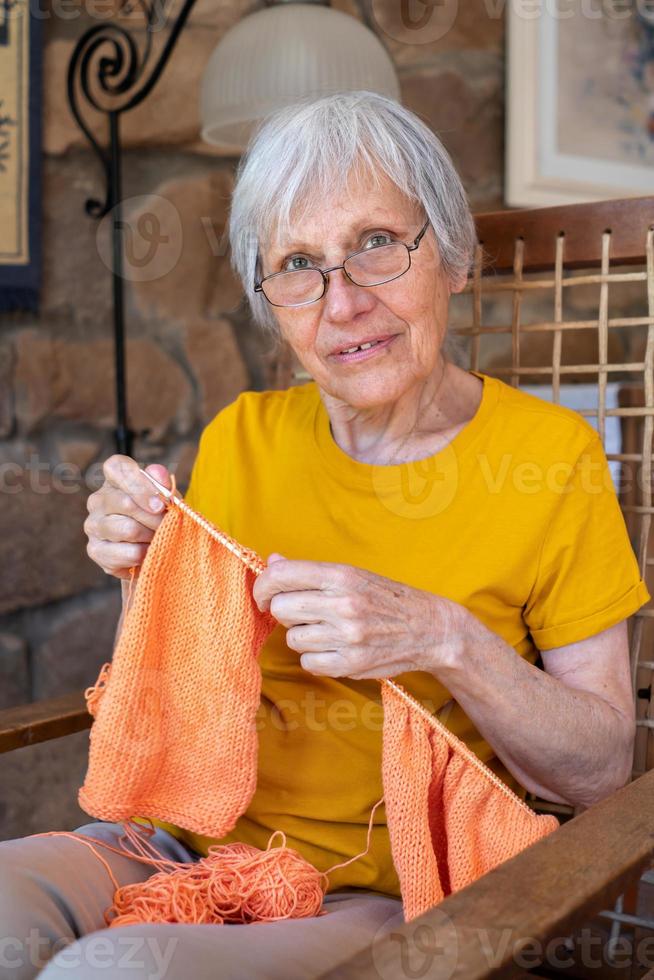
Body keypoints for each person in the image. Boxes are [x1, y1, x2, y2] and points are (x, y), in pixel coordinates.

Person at [1, 90, 650, 979]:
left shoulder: (551, 459)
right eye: (299, 263)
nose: (341, 303)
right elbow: (171, 704)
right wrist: (140, 575)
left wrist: (441, 636)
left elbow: (603, 767)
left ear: (453, 257)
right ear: (272, 301)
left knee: (114, 971)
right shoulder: (242, 436)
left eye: (377, 244)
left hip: (383, 894)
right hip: (172, 849)